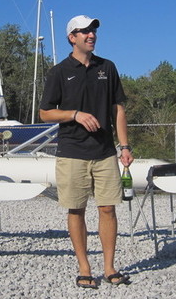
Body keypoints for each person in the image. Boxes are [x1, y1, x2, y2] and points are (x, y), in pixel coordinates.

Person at [39, 15, 134, 289]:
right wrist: (75, 114)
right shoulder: (59, 71)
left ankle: (109, 267)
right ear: (72, 37)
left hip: (105, 151)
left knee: (107, 208)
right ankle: (84, 267)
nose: (91, 35)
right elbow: (45, 112)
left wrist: (124, 146)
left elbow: (118, 109)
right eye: (85, 32)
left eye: (93, 31)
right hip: (72, 152)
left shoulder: (108, 67)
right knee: (76, 209)